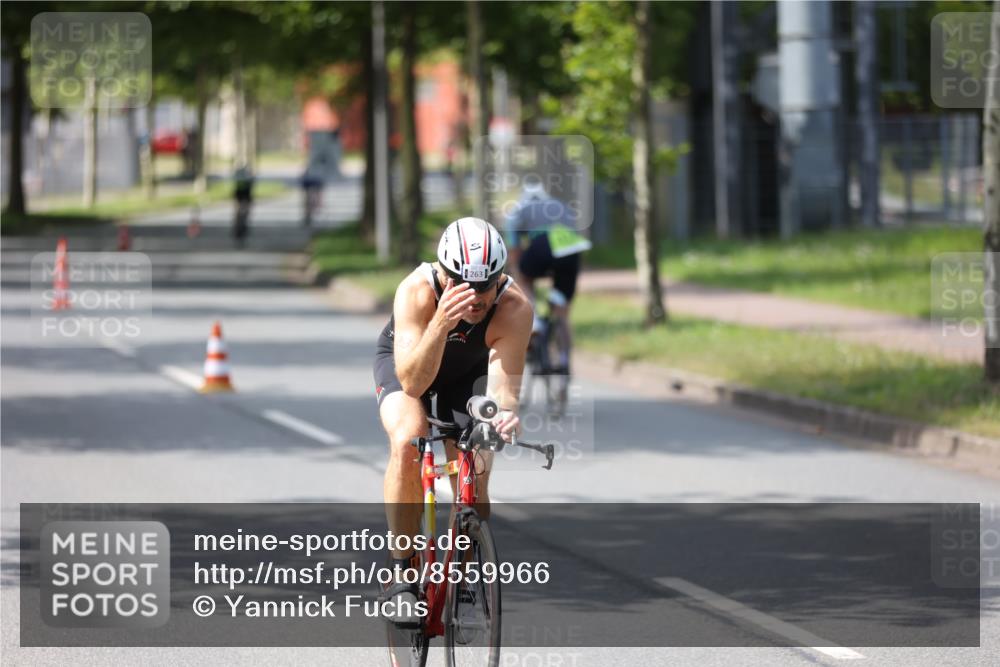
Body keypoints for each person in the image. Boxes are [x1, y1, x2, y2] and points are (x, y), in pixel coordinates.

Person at [373, 217, 533, 625]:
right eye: (462, 285)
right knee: (409, 439)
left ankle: (462, 579)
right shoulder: (417, 292)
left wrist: (504, 416)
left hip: (467, 378)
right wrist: (442, 322)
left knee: (477, 464)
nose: (475, 299)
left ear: (500, 278)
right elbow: (412, 382)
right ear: (443, 274)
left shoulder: (513, 308)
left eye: (485, 287)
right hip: (409, 367)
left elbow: (502, 390)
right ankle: (401, 573)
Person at [503, 177, 591, 374]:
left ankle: (532, 318)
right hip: (570, 248)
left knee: (522, 275)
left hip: (543, 245)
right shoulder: (560, 206)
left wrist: (515, 268)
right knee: (562, 311)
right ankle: (565, 359)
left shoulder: (519, 209)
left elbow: (514, 249)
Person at [232, 166, 254, 248]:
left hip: (243, 195)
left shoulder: (239, 175)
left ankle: (240, 227)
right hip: (242, 195)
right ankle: (239, 228)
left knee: (241, 212)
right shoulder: (248, 176)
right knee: (242, 212)